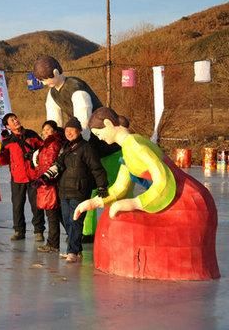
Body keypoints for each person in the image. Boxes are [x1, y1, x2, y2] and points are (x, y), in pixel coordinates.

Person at [73, 107, 219, 280]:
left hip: (186, 201)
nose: (100, 138)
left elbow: (164, 179)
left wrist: (136, 203)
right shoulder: (127, 149)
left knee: (123, 226)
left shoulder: (135, 144)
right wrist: (94, 203)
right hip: (174, 199)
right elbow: (120, 187)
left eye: (99, 133)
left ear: (107, 123)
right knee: (113, 219)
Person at [34, 55, 121, 242]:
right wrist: (50, 145)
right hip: (86, 146)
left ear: (56, 72)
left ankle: (115, 228)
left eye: (46, 78)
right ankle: (86, 232)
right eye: (41, 80)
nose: (44, 83)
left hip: (106, 146)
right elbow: (54, 123)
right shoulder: (53, 94)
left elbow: (84, 122)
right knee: (86, 189)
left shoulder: (77, 89)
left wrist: (75, 147)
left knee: (112, 189)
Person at [40, 117, 108, 263]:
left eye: (72, 129)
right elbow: (57, 165)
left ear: (79, 131)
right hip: (64, 190)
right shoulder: (65, 148)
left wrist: (102, 185)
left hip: (80, 190)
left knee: (75, 221)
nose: (69, 132)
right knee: (67, 221)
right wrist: (45, 177)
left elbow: (97, 168)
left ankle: (72, 251)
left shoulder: (86, 148)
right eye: (67, 130)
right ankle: (76, 249)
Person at [0, 113, 45, 241]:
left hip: (34, 176)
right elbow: (4, 160)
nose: (16, 121)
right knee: (17, 205)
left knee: (36, 205)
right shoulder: (7, 141)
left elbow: (44, 150)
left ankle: (39, 231)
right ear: (8, 126)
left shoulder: (31, 135)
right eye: (12, 120)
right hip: (17, 177)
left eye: (15, 118)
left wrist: (35, 155)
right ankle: (19, 231)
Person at [34, 120, 64, 253]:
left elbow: (51, 163)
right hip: (45, 183)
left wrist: (45, 177)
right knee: (57, 215)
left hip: (49, 184)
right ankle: (72, 238)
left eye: (48, 129)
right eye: (44, 129)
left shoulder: (53, 144)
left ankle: (53, 243)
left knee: (53, 214)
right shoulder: (46, 144)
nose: (45, 132)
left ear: (54, 131)